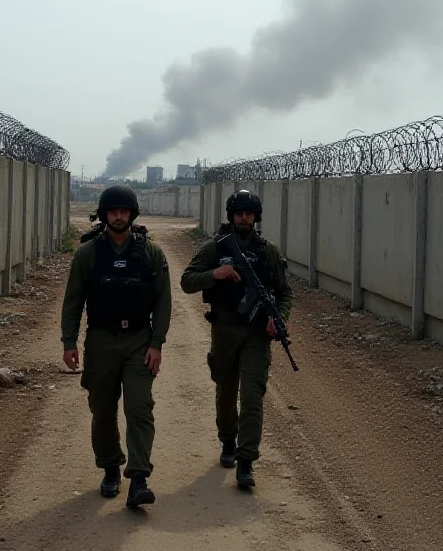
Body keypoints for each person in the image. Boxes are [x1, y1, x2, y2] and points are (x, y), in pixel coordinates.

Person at [60, 184, 171, 509]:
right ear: (105, 214)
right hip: (101, 341)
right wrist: (69, 342)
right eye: (113, 211)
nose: (119, 216)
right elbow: (73, 301)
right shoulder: (88, 253)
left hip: (139, 340)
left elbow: (163, 301)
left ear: (132, 214)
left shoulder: (151, 252)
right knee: (103, 409)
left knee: (139, 407)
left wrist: (156, 344)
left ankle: (138, 478)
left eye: (124, 211)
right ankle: (110, 467)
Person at [180, 189, 292, 489]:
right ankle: (228, 441)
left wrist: (277, 319)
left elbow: (284, 293)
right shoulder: (215, 248)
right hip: (225, 331)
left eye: (249, 214)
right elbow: (187, 281)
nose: (244, 218)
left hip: (256, 334)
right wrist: (215, 274)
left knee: (253, 396)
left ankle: (246, 460)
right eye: (239, 214)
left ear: (256, 217)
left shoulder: (268, 251)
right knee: (226, 392)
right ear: (231, 216)